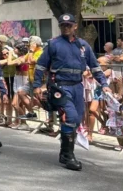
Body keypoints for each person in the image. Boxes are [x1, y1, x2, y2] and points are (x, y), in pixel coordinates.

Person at [33, 14, 111, 171]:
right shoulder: (53, 44)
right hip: (60, 87)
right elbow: (41, 66)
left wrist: (103, 83)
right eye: (63, 25)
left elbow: (95, 67)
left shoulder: (83, 46)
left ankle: (64, 152)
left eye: (69, 25)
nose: (66, 27)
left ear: (75, 26)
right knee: (70, 117)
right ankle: (69, 156)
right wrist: (36, 85)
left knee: (76, 120)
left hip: (77, 86)